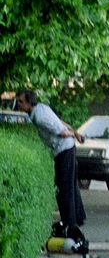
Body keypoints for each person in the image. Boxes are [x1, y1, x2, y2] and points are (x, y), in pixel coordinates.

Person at [16, 89, 87, 243]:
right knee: (70, 184)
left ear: (29, 102)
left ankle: (70, 224)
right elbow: (60, 122)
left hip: (63, 150)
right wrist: (75, 132)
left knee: (63, 188)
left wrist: (73, 134)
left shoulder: (40, 117)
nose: (19, 104)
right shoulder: (42, 108)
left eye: (21, 101)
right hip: (67, 148)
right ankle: (79, 216)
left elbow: (61, 131)